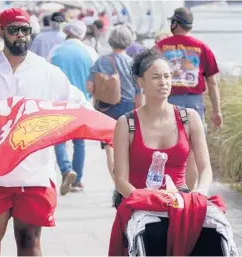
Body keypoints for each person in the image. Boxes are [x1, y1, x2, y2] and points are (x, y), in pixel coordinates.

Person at [0, 8, 87, 256]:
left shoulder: (47, 71)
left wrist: (114, 127)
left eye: (25, 30)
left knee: (29, 242)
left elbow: (79, 106)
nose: (20, 35)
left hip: (34, 173)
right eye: (13, 30)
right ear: (1, 32)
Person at [113, 48, 212, 203]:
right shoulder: (126, 124)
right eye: (155, 77)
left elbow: (205, 168)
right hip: (139, 201)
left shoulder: (190, 118)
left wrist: (200, 192)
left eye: (167, 76)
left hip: (178, 201)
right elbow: (120, 180)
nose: (163, 82)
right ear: (141, 82)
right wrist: (148, 200)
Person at [157, 7, 222, 190]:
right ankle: (189, 191)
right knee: (192, 150)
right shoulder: (202, 48)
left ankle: (169, 188)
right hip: (194, 103)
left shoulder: (161, 47)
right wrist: (217, 111)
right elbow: (212, 82)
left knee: (168, 147)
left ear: (175, 23)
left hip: (168, 102)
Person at [87, 24, 144, 180]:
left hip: (106, 108)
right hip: (128, 107)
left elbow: (90, 87)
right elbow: (139, 92)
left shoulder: (101, 61)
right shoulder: (133, 64)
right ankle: (125, 182)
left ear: (111, 41)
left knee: (110, 147)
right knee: (126, 147)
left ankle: (116, 184)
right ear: (128, 42)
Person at [48, 19, 96, 194]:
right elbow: (94, 79)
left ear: (67, 32)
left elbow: (48, 75)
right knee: (79, 141)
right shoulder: (89, 52)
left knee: (59, 139)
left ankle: (66, 169)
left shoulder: (55, 51)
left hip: (59, 101)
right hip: (80, 101)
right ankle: (78, 179)